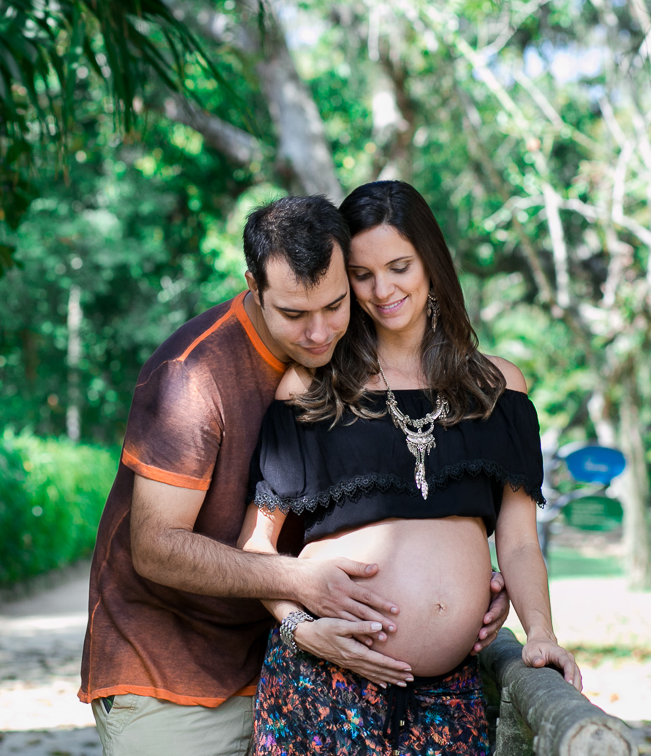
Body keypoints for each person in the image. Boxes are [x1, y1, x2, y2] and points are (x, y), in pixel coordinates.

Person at [79, 195, 511, 756]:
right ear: (253, 288)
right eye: (293, 314)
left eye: (334, 305)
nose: (317, 333)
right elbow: (157, 548)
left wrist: (472, 586)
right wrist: (298, 584)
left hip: (285, 664)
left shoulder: (345, 361)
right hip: (169, 673)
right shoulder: (193, 375)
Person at [238, 181, 582, 756]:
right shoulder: (311, 388)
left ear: (431, 262)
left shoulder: (498, 388)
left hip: (449, 701)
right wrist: (304, 629)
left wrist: (541, 632)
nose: (382, 290)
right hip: (322, 688)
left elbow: (519, 544)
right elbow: (257, 547)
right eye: (362, 275)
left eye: (399, 266)